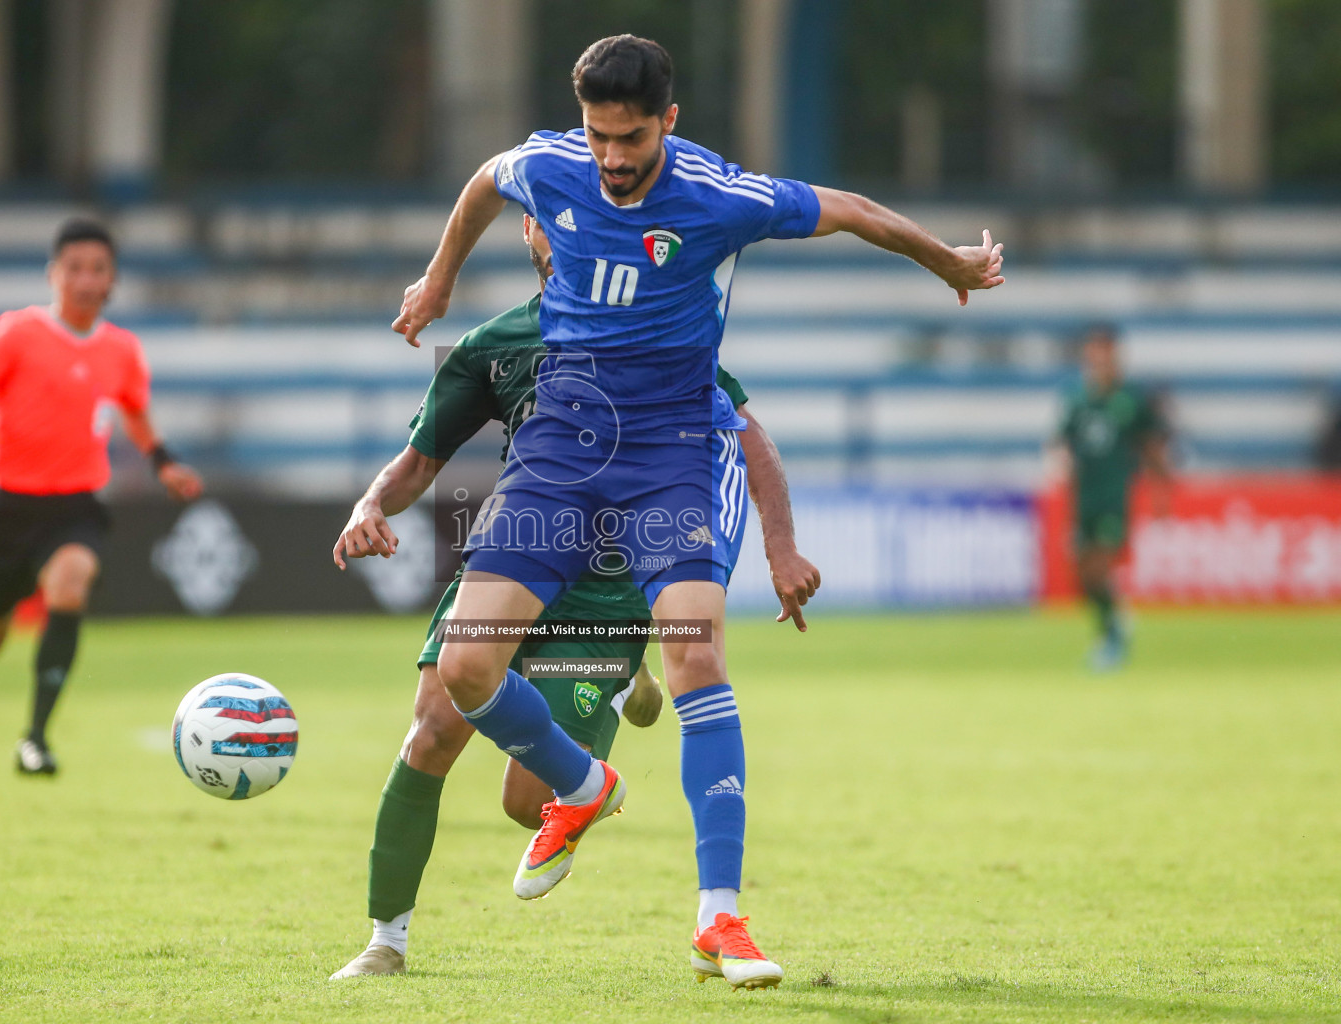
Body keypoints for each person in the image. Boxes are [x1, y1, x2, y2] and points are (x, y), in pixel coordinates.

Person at [392, 35, 1004, 988]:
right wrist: (438, 281)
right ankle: (584, 783)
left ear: (668, 122)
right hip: (558, 450)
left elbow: (849, 211)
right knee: (467, 668)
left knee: (694, 654)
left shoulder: (720, 195)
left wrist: (946, 264)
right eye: (598, 136)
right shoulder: (551, 164)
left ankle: (721, 918)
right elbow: (482, 181)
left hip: (669, 456)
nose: (612, 158)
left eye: (630, 138)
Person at [329, 214, 817, 979]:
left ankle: (622, 688)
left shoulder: (654, 330)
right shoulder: (493, 346)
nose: (560, 229)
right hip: (513, 559)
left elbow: (745, 433)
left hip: (609, 589)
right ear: (529, 231)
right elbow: (419, 463)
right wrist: (368, 506)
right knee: (430, 731)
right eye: (547, 217)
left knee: (526, 803)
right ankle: (384, 942)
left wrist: (779, 542)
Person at [0, 217, 202, 774]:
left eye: (98, 269)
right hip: (10, 507)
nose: (86, 279)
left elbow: (134, 410)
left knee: (71, 582)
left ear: (112, 280)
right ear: (54, 275)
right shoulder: (16, 333)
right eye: (75, 267)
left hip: (76, 506)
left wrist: (163, 462)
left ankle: (35, 737)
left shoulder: (122, 350)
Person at [1053, 324, 1171, 670]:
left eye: (1103, 351)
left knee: (1101, 564)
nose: (1098, 358)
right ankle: (1112, 625)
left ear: (1114, 354)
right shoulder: (1077, 398)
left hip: (1113, 494)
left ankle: (1114, 641)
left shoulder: (1130, 398)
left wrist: (1162, 490)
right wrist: (1060, 463)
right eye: (1092, 351)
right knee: (1083, 573)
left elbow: (1151, 447)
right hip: (1084, 495)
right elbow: (1063, 441)